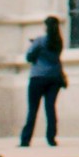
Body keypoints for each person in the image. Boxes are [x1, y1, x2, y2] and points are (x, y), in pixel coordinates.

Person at [21, 14, 64, 149]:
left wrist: (34, 45)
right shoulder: (58, 42)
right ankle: (51, 138)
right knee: (50, 108)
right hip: (54, 77)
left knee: (33, 109)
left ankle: (26, 139)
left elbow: (29, 56)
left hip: (37, 77)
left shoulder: (39, 41)